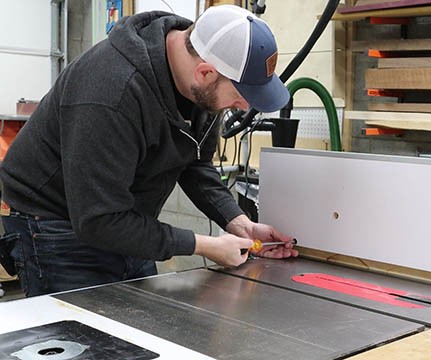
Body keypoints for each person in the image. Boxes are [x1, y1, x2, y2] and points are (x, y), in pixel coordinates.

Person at [0, 5, 298, 297]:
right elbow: (98, 220)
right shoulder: (111, 91)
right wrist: (204, 245)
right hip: (55, 224)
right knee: (84, 340)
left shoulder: (204, 74)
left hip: (123, 217)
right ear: (205, 73)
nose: (244, 106)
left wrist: (239, 222)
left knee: (139, 328)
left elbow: (194, 162)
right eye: (240, 96)